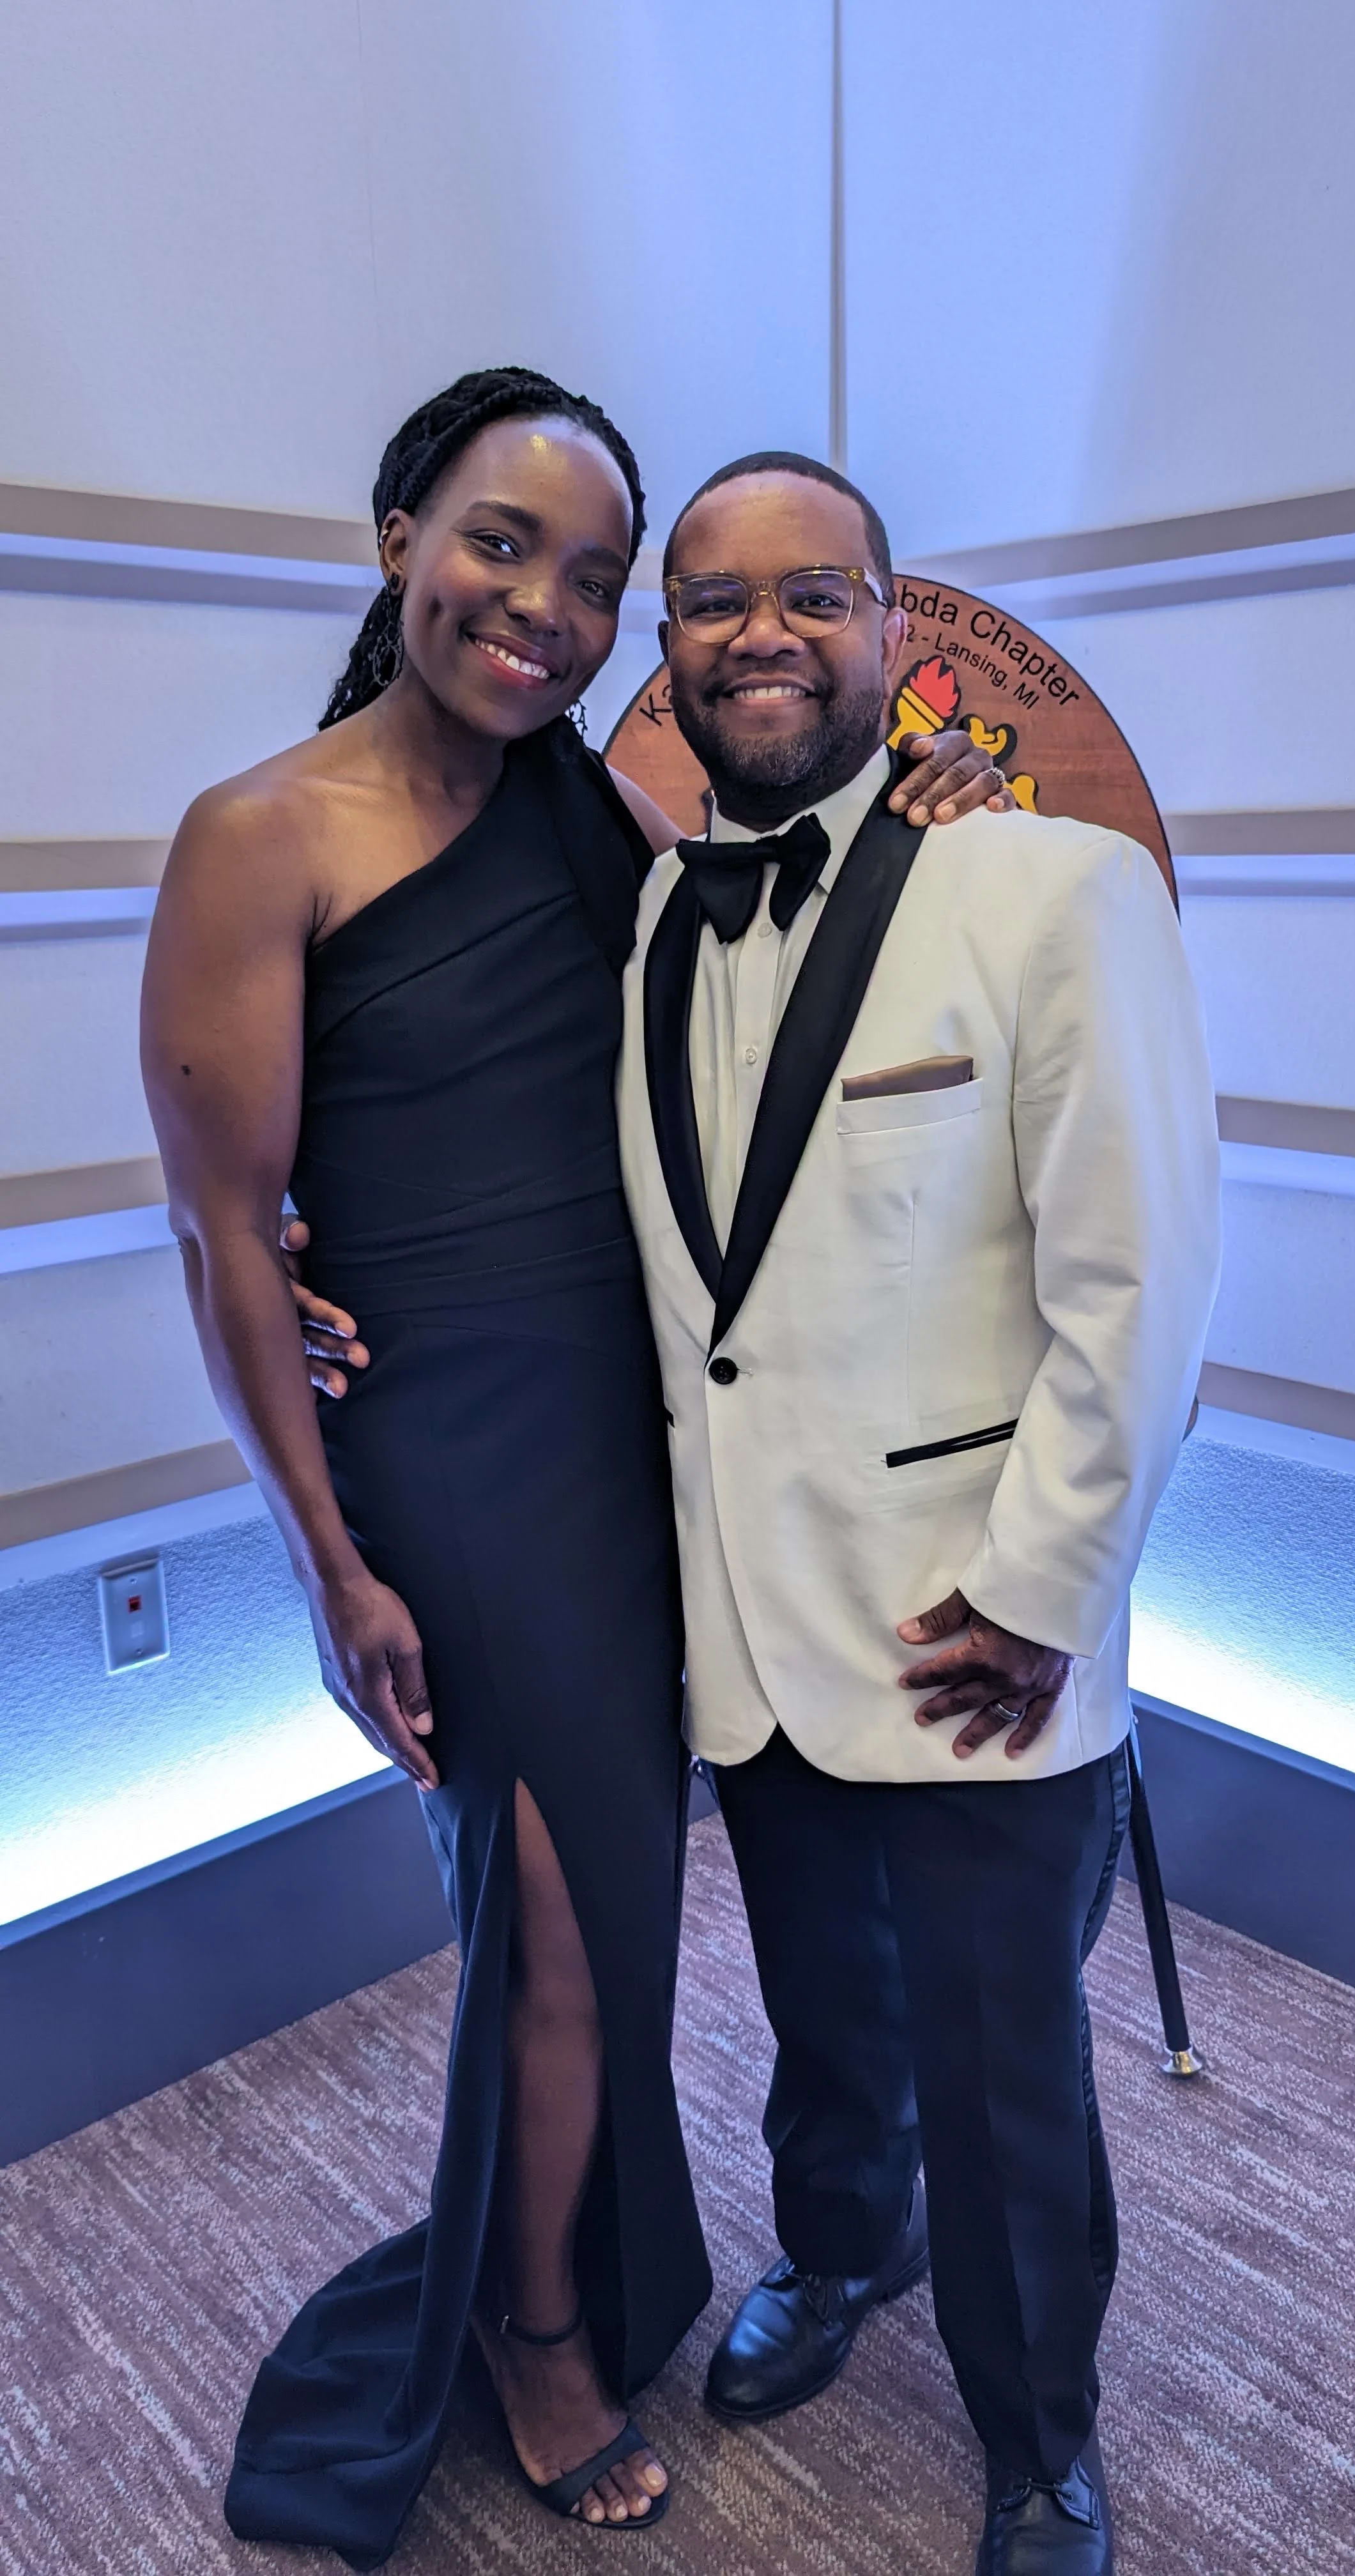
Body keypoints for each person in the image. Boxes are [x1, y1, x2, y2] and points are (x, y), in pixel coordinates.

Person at [140, 369, 1006, 2568]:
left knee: (621, 1914)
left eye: (596, 578)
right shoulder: (263, 833)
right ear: (399, 542)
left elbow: (749, 1002)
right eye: (500, 544)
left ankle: (569, 2260)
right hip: (450, 1456)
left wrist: (941, 827)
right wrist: (328, 1564)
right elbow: (225, 1234)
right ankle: (537, 2331)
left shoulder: (597, 812)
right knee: (550, 1920)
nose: (544, 606)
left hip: (632, 1436)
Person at [609, 453, 1222, 2573]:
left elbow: (1138, 1277)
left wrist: (1047, 1587)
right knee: (822, 2015)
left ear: (892, 624)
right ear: (666, 650)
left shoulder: (1053, 892)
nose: (760, 633)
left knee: (1001, 2066)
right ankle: (838, 2245)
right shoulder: (649, 925)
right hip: (753, 1617)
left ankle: (1039, 2435)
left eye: (812, 592)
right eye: (711, 601)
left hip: (979, 1622)